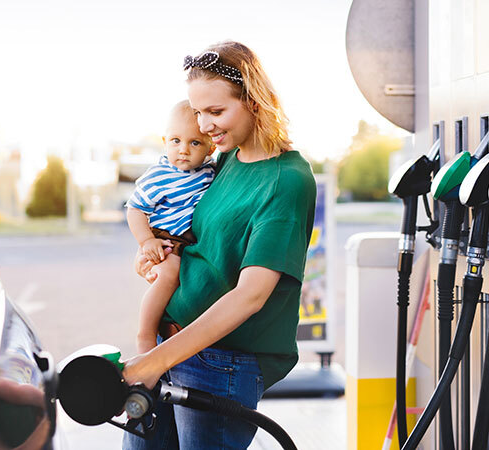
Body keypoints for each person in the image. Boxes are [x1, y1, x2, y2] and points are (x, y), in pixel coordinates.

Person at [122, 41, 316, 449]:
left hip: (221, 363)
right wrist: (154, 247)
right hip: (170, 347)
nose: (204, 126)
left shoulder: (286, 181)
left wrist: (155, 362)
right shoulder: (226, 159)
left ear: (254, 101)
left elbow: (250, 296)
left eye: (216, 111)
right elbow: (199, 236)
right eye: (197, 112)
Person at [125, 100, 215, 354]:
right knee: (168, 274)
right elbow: (135, 209)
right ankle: (145, 334)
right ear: (165, 141)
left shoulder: (209, 170)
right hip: (165, 238)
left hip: (187, 240)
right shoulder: (160, 175)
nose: (183, 150)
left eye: (194, 142)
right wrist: (146, 242)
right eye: (175, 141)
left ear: (210, 148)